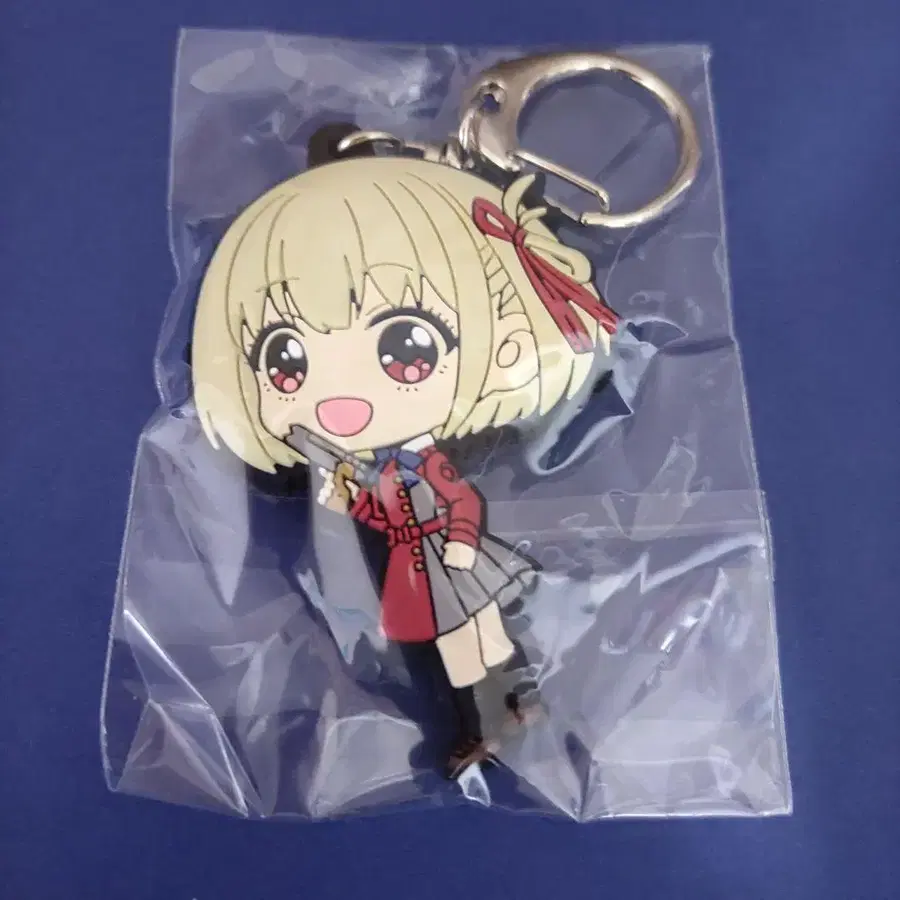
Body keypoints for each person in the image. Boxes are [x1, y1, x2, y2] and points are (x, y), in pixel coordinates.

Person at [192, 156, 617, 775]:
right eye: (286, 360)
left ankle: (501, 714)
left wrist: (462, 542)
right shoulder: (388, 467)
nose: (340, 398)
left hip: (448, 557)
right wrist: (348, 501)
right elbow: (384, 512)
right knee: (465, 639)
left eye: (404, 346)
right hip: (420, 564)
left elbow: (461, 499)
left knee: (476, 636)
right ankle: (502, 712)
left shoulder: (426, 460)